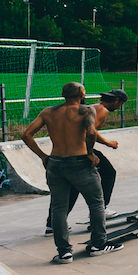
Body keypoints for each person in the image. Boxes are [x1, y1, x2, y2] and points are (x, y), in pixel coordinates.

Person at [22, 82, 120, 263]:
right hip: (80, 163)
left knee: (59, 208)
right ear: (82, 94)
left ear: (62, 94)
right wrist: (90, 154)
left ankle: (64, 253)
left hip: (56, 163)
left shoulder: (48, 112)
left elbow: (26, 135)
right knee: (96, 203)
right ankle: (99, 244)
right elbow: (91, 132)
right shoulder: (86, 110)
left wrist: (43, 156)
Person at [49, 88, 127, 239]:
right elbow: (89, 131)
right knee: (109, 173)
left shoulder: (94, 107)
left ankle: (51, 224)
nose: (119, 108)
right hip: (82, 149)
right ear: (117, 100)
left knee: (72, 186)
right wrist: (106, 143)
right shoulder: (102, 110)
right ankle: (101, 209)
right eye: (120, 104)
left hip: (71, 150)